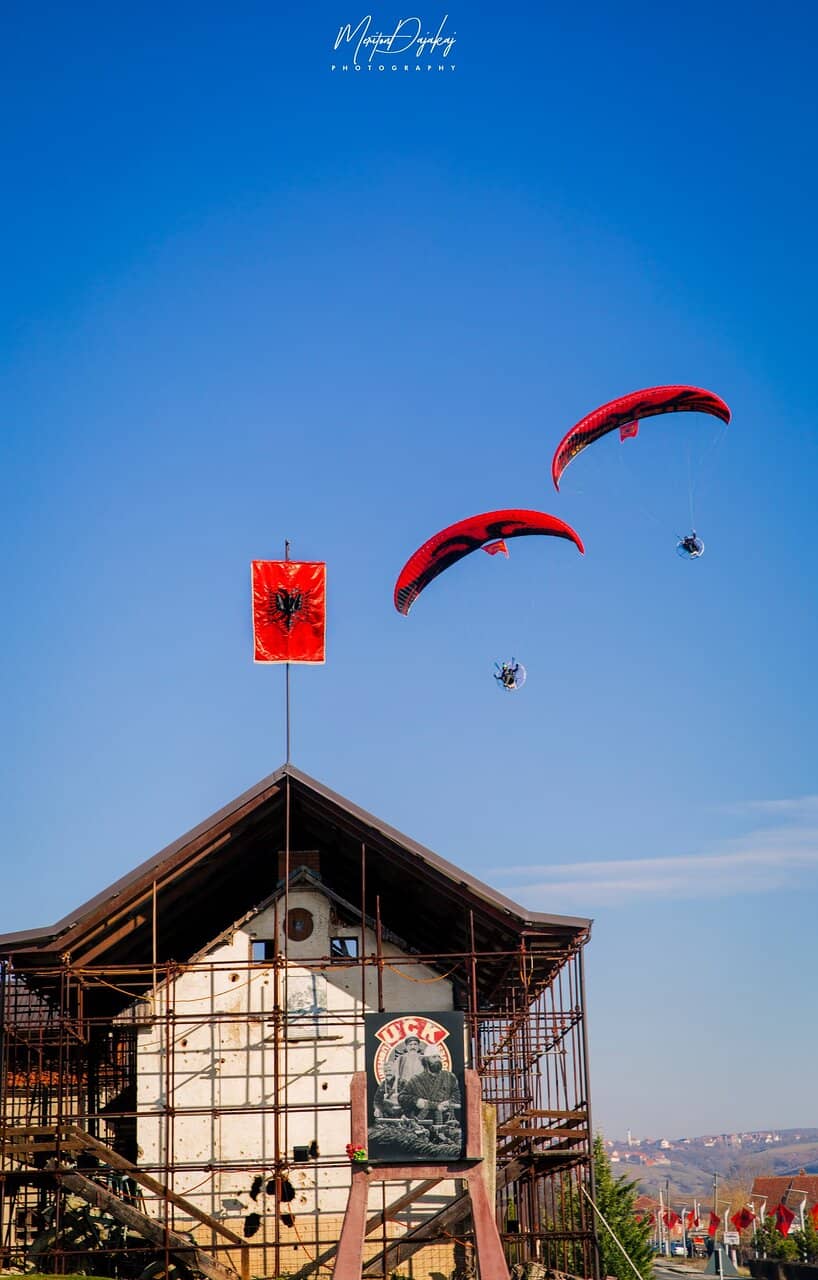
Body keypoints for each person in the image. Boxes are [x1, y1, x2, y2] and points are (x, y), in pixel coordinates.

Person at [400, 1046, 461, 1122]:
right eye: (434, 1057)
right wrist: (417, 1101)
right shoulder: (416, 1080)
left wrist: (449, 1102)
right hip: (423, 1122)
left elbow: (458, 1095)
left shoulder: (450, 1077)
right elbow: (402, 1097)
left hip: (446, 1122)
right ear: (426, 1060)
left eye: (439, 1057)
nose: (438, 1059)